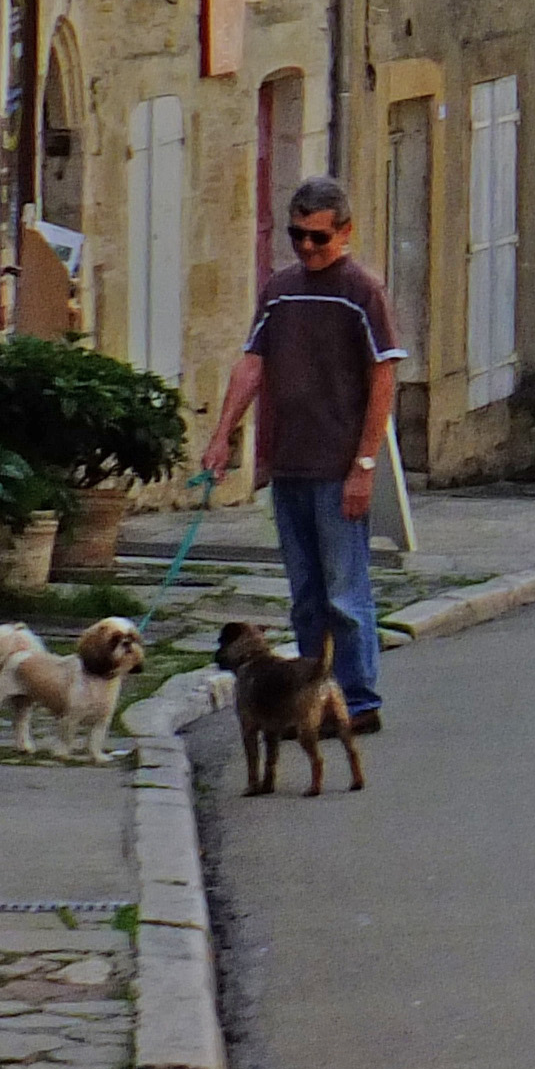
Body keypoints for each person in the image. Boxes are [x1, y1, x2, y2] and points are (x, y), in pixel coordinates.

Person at [199, 174, 402, 736]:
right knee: (306, 596)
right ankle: (314, 699)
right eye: (297, 236)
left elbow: (383, 376)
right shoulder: (280, 289)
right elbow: (252, 364)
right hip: (288, 463)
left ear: (345, 232)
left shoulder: (363, 291)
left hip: (339, 467)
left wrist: (365, 465)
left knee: (345, 592)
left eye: (319, 237)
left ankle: (359, 701)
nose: (308, 248)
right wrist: (223, 435)